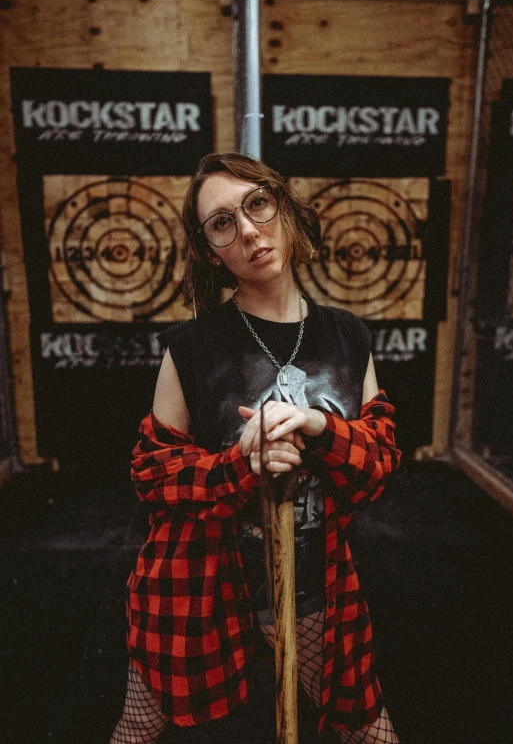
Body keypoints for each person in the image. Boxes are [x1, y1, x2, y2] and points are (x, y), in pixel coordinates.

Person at [111, 153, 401, 744]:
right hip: (195, 582)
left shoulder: (348, 336)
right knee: (139, 726)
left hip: (312, 579)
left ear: (285, 208)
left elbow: (379, 461)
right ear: (211, 250)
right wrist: (239, 464)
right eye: (221, 222)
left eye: (257, 204)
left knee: (366, 726)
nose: (246, 229)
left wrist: (320, 431)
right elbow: (154, 472)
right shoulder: (190, 347)